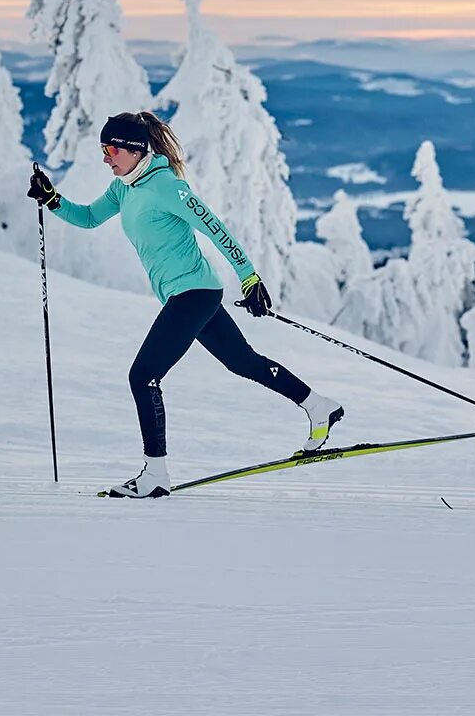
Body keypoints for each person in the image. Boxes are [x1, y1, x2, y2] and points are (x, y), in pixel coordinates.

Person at [28, 111, 344, 498]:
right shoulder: (124, 188)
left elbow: (216, 228)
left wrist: (249, 277)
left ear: (135, 149)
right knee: (243, 362)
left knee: (142, 375)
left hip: (194, 294)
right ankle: (318, 406)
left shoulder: (167, 187)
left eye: (111, 149)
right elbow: (90, 217)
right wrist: (52, 199)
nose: (106, 157)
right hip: (191, 295)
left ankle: (156, 474)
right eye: (102, 149)